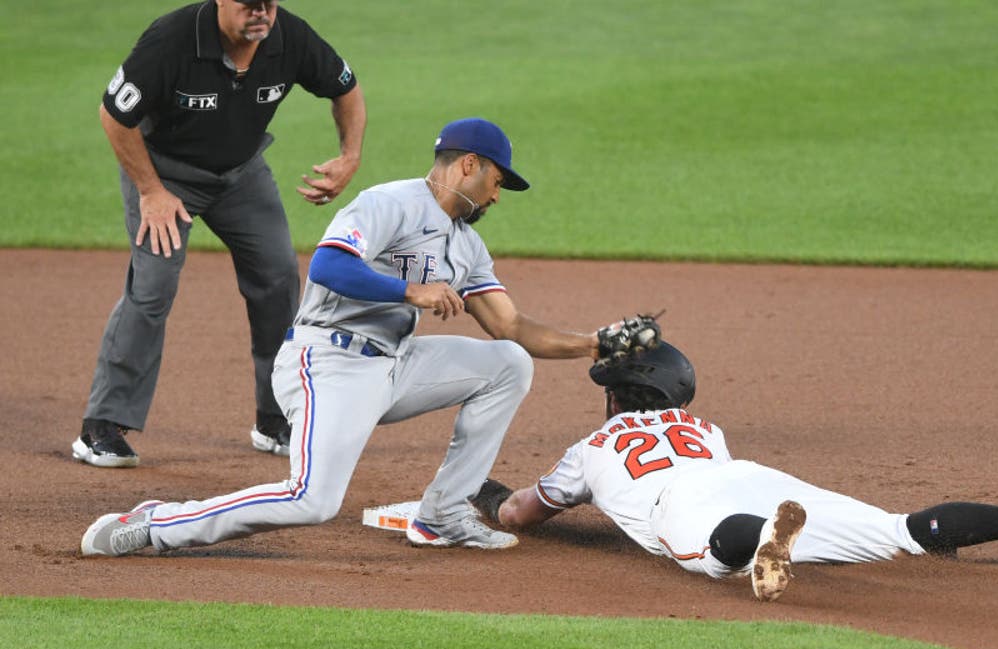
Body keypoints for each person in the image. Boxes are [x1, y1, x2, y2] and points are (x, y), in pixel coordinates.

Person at [80, 117, 663, 557]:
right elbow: (330, 266)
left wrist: (594, 342)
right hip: (326, 362)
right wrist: (411, 292)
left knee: (508, 362)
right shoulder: (390, 203)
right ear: (467, 165)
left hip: (395, 365)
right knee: (312, 501)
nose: (497, 195)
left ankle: (442, 515)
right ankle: (157, 524)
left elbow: (511, 326)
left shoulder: (466, 245)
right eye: (496, 180)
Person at [475, 342, 998, 602]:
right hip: (756, 476)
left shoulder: (592, 445)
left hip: (688, 501)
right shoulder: (705, 429)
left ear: (616, 396)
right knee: (903, 529)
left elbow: (521, 514)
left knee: (714, 550)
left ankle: (762, 540)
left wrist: (482, 489)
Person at [74, 0, 367, 468]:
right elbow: (114, 115)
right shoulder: (172, 39)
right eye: (250, 4)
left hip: (241, 175)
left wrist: (350, 156)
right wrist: (150, 190)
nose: (261, 12)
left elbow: (346, 88)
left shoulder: (290, 35)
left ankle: (276, 419)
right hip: (164, 176)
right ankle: (102, 426)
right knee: (152, 287)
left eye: (268, 3)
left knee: (277, 280)